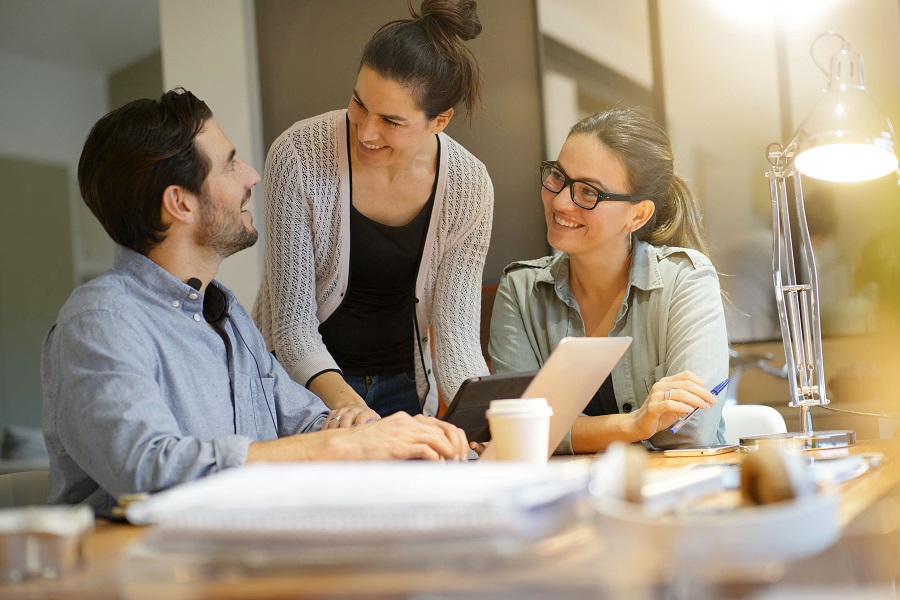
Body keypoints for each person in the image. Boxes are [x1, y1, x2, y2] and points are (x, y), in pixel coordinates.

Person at [41, 89, 470, 518]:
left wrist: (385, 433)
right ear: (180, 202)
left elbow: (306, 422)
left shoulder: (227, 315)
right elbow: (150, 470)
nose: (251, 175)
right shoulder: (101, 320)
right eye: (229, 164)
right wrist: (343, 443)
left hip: (237, 562)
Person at [252, 0, 493, 424]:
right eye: (359, 103)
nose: (366, 132)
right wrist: (359, 415)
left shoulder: (470, 186)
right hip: (296, 386)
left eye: (392, 121)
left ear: (440, 120)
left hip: (402, 387)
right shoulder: (298, 154)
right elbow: (292, 330)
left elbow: (457, 340)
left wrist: (482, 424)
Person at [488, 107, 729, 453]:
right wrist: (634, 424)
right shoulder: (521, 289)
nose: (559, 201)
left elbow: (690, 431)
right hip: (568, 499)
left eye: (588, 192)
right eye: (558, 176)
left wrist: (568, 431)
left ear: (638, 214)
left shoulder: (686, 280)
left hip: (679, 491)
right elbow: (517, 431)